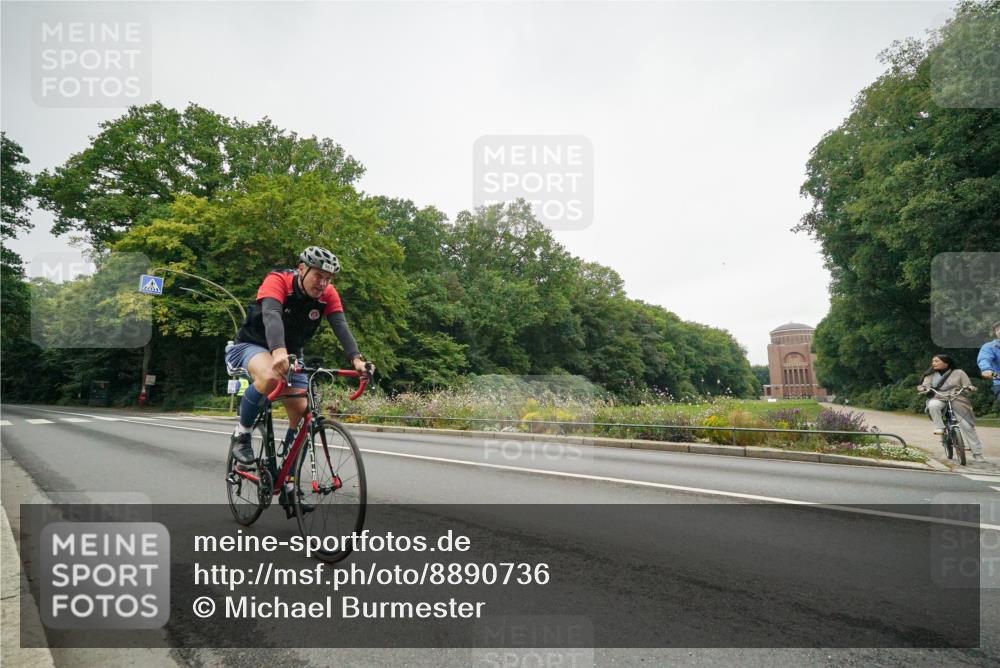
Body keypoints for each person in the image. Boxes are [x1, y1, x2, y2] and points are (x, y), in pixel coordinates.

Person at [225, 246, 372, 471]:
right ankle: (242, 434)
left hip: (290, 354)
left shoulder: (328, 294)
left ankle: (289, 483)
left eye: (328, 278)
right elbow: (272, 315)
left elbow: (340, 326)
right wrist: (278, 351)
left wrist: (357, 360)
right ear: (301, 269)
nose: (323, 283)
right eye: (318, 276)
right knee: (271, 377)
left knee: (305, 417)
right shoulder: (278, 280)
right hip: (252, 344)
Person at [916, 353, 985, 462]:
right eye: (933, 361)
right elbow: (925, 386)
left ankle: (977, 453)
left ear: (946, 363)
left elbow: (967, 386)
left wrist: (970, 388)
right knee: (933, 405)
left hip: (957, 398)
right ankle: (940, 427)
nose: (933, 363)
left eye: (937, 361)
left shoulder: (959, 372)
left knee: (967, 426)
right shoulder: (930, 375)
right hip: (939, 397)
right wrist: (923, 389)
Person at [977, 320, 1000, 408]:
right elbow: (984, 358)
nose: (999, 331)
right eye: (997, 330)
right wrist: (986, 369)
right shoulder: (989, 347)